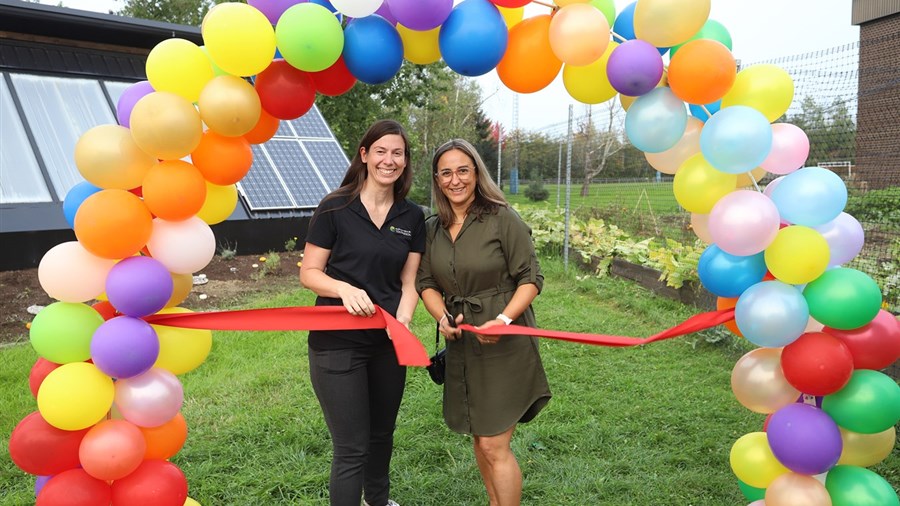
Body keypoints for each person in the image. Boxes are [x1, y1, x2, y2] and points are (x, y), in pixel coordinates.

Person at [416, 139, 551, 506]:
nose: (455, 180)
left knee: (494, 442)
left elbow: (531, 278)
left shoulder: (502, 218)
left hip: (504, 343)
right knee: (479, 437)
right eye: (446, 172)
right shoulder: (433, 228)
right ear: (437, 179)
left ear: (477, 172)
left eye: (463, 170)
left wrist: (505, 319)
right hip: (463, 345)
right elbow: (426, 282)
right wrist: (442, 318)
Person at [299, 119, 425, 506]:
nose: (390, 160)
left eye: (398, 153)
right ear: (365, 155)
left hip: (387, 344)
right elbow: (309, 273)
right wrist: (344, 289)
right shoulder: (335, 206)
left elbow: (409, 283)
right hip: (337, 345)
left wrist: (402, 322)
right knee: (352, 447)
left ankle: (379, 500)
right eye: (382, 151)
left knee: (382, 435)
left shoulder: (412, 217)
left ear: (405, 162)